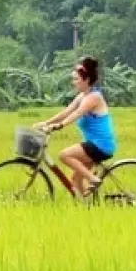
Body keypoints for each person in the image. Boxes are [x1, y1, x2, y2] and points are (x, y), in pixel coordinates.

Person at [35, 56, 116, 198]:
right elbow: (67, 111)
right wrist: (46, 123)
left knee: (64, 155)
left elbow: (77, 113)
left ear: (86, 80)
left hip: (100, 145)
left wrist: (58, 126)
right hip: (93, 144)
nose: (74, 83)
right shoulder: (82, 96)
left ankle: (94, 179)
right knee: (75, 180)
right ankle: (87, 208)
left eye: (76, 79)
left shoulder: (93, 98)